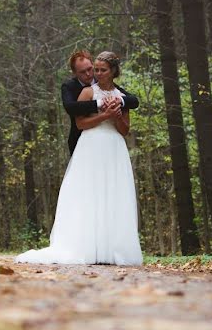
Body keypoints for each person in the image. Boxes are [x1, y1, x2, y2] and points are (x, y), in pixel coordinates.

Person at [17, 51, 142, 265]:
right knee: (88, 193)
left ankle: (112, 249)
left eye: (101, 70)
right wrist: (105, 114)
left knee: (113, 192)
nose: (97, 73)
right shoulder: (86, 91)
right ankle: (87, 246)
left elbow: (125, 130)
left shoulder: (121, 96)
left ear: (113, 71)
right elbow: (80, 124)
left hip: (114, 148)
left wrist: (118, 115)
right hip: (91, 145)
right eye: (96, 69)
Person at [61, 50, 139, 156]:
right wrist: (101, 103)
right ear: (75, 73)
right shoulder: (70, 87)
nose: (88, 74)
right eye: (82, 72)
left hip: (113, 142)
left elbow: (133, 101)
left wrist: (119, 101)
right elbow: (70, 107)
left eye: (90, 69)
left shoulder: (108, 84)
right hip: (82, 140)